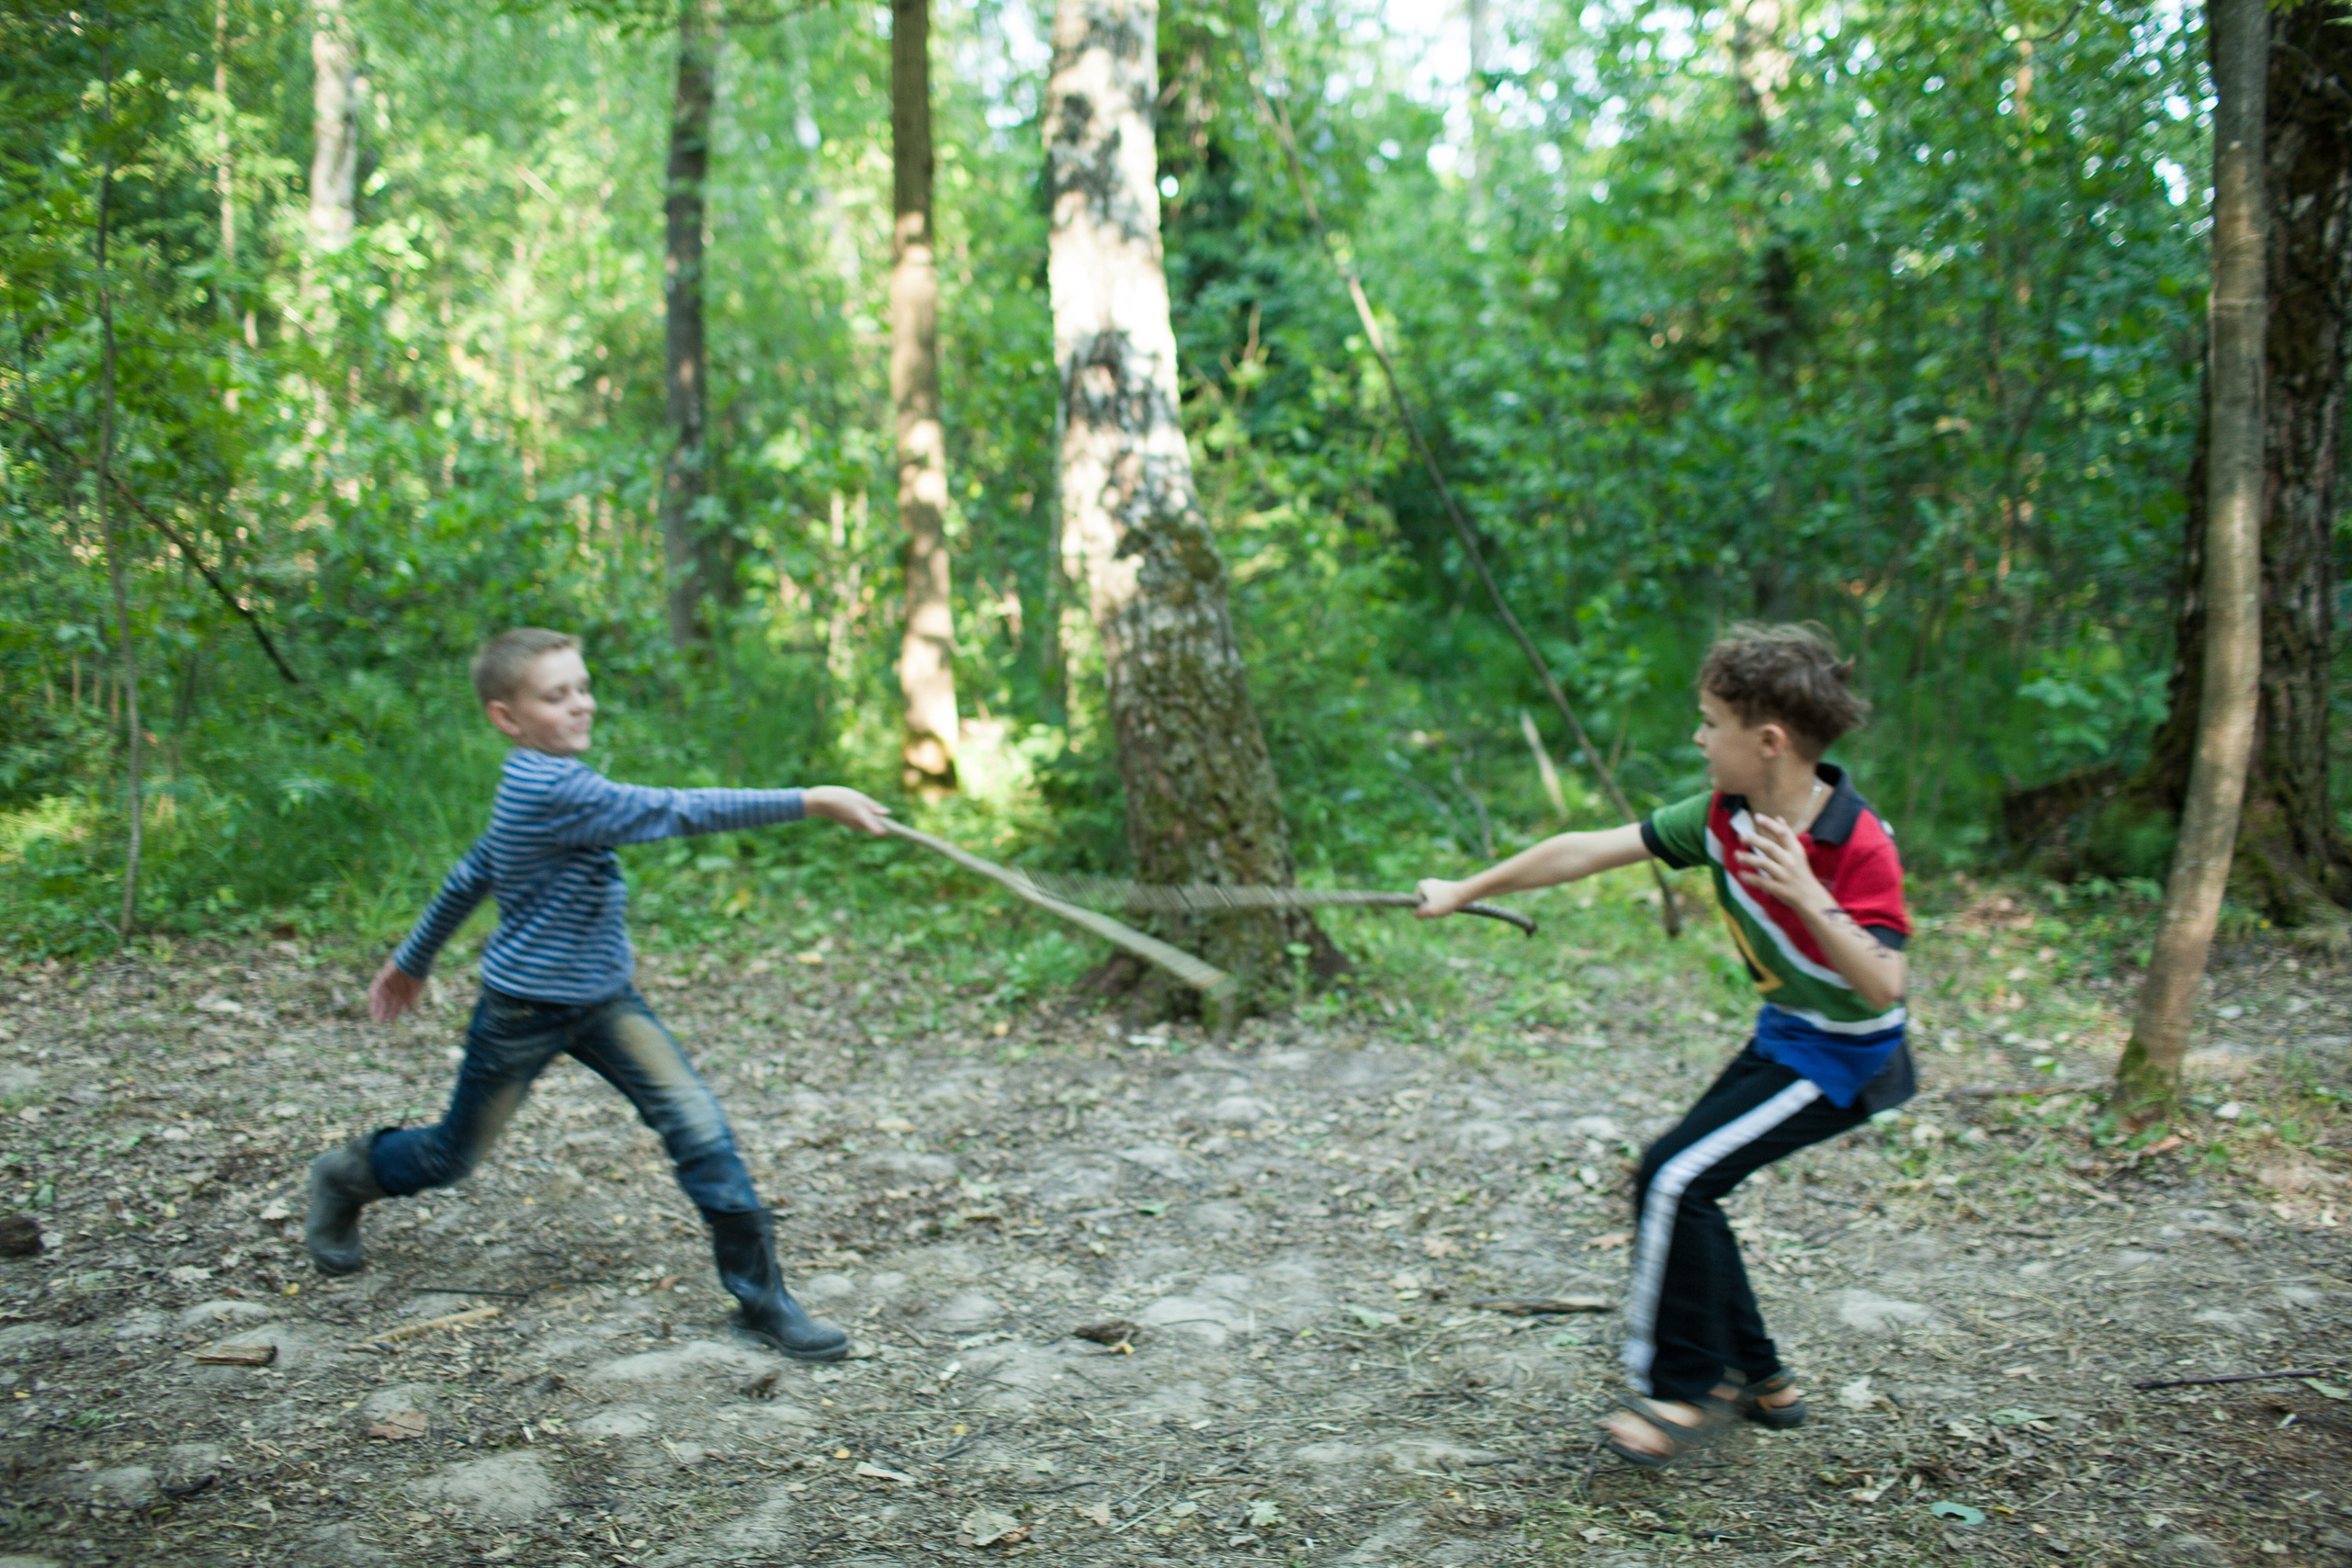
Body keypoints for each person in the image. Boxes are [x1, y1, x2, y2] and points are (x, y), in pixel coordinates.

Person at [304, 627, 892, 1361]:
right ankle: (346, 1174)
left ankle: (762, 1296)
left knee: (698, 1125)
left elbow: (473, 870)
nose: (581, 705)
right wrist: (811, 798)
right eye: (556, 696)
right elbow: (679, 810)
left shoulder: (536, 776)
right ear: (506, 717)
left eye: (582, 687)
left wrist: (411, 960)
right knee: (452, 1157)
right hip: (522, 1008)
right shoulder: (556, 789)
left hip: (604, 1001)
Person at [1414, 624, 1912, 1467]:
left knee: (1673, 1174)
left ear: (1769, 741)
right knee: (1692, 1178)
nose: (1698, 737)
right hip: (1785, 1038)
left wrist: (1804, 891)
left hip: (1846, 1055)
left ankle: (1686, 1389)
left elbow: (1885, 984)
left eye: (1710, 722)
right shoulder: (1722, 820)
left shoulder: (1856, 842)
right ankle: (1760, 1375)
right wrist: (1467, 888)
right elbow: (1586, 850)